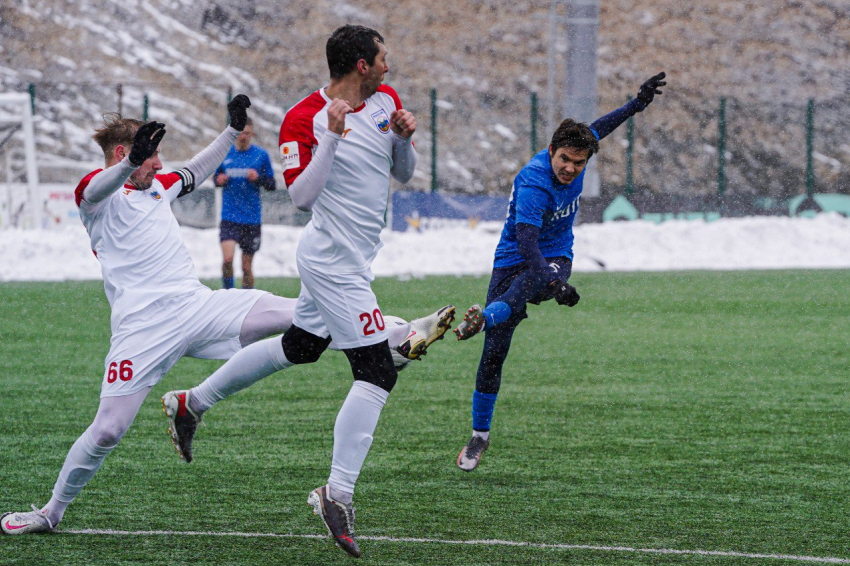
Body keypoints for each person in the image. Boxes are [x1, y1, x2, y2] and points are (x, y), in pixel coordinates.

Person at [0, 95, 449, 537]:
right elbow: (99, 187)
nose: (158, 165)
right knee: (107, 431)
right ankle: (51, 511)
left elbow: (195, 169)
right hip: (142, 329)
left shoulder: (157, 186)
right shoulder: (96, 196)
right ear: (124, 155)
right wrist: (126, 164)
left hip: (197, 306)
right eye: (148, 157)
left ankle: (397, 335)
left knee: (302, 316)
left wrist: (231, 131)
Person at [452, 73, 668, 472]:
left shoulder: (581, 151)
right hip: (518, 254)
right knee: (494, 355)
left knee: (532, 280)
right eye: (564, 159)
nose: (570, 168)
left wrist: (635, 105)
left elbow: (597, 129)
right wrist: (554, 284)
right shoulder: (535, 184)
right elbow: (527, 244)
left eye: (578, 162)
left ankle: (485, 318)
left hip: (556, 255)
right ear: (551, 151)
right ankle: (479, 436)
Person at [270, 24, 419, 558]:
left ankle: (194, 401)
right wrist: (331, 134)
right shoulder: (303, 117)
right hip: (332, 263)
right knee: (377, 372)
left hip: (357, 259)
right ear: (361, 64)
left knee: (301, 347)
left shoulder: (387, 101)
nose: (388, 65)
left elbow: (402, 173)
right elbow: (300, 198)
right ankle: (336, 494)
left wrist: (404, 138)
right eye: (382, 58)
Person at [214, 117, 276, 290]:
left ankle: (247, 302)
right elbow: (215, 179)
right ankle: (228, 297)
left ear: (252, 134)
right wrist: (219, 180)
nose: (243, 136)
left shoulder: (261, 155)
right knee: (227, 260)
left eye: (247, 133)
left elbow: (272, 185)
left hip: (251, 218)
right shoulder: (225, 153)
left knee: (246, 268)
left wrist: (259, 179)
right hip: (229, 217)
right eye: (240, 133)